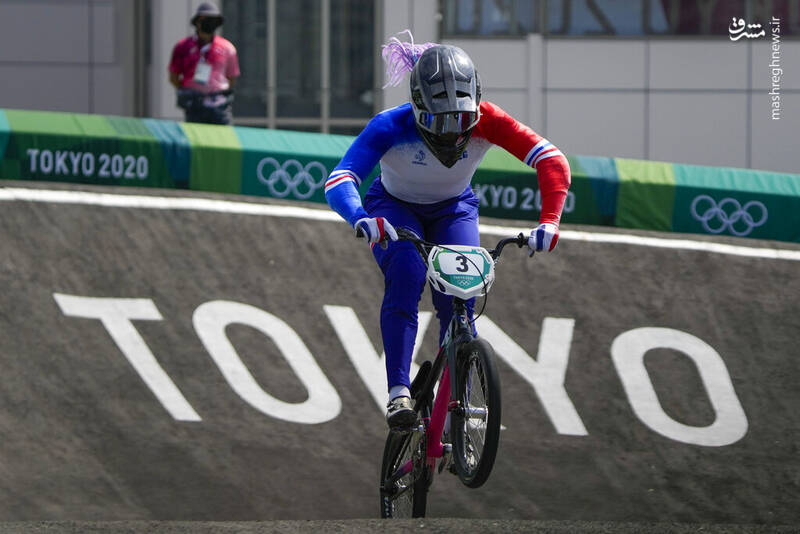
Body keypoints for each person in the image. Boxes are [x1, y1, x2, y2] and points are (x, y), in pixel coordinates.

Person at [324, 32, 571, 429]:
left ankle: (458, 396)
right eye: (440, 121)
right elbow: (340, 178)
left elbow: (552, 160)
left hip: (454, 208)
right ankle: (398, 393)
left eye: (462, 119)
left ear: (476, 105)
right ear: (417, 109)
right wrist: (360, 218)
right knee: (407, 274)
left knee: (461, 294)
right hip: (395, 206)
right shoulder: (390, 125)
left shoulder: (489, 118)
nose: (453, 132)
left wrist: (550, 220)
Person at [168, 2, 240, 125]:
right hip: (194, 105)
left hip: (219, 106)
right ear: (197, 22)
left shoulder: (227, 48)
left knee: (222, 135)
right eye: (205, 19)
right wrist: (190, 91)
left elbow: (232, 78)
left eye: (213, 20)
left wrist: (215, 93)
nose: (209, 23)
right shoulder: (183, 47)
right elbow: (173, 77)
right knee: (195, 136)